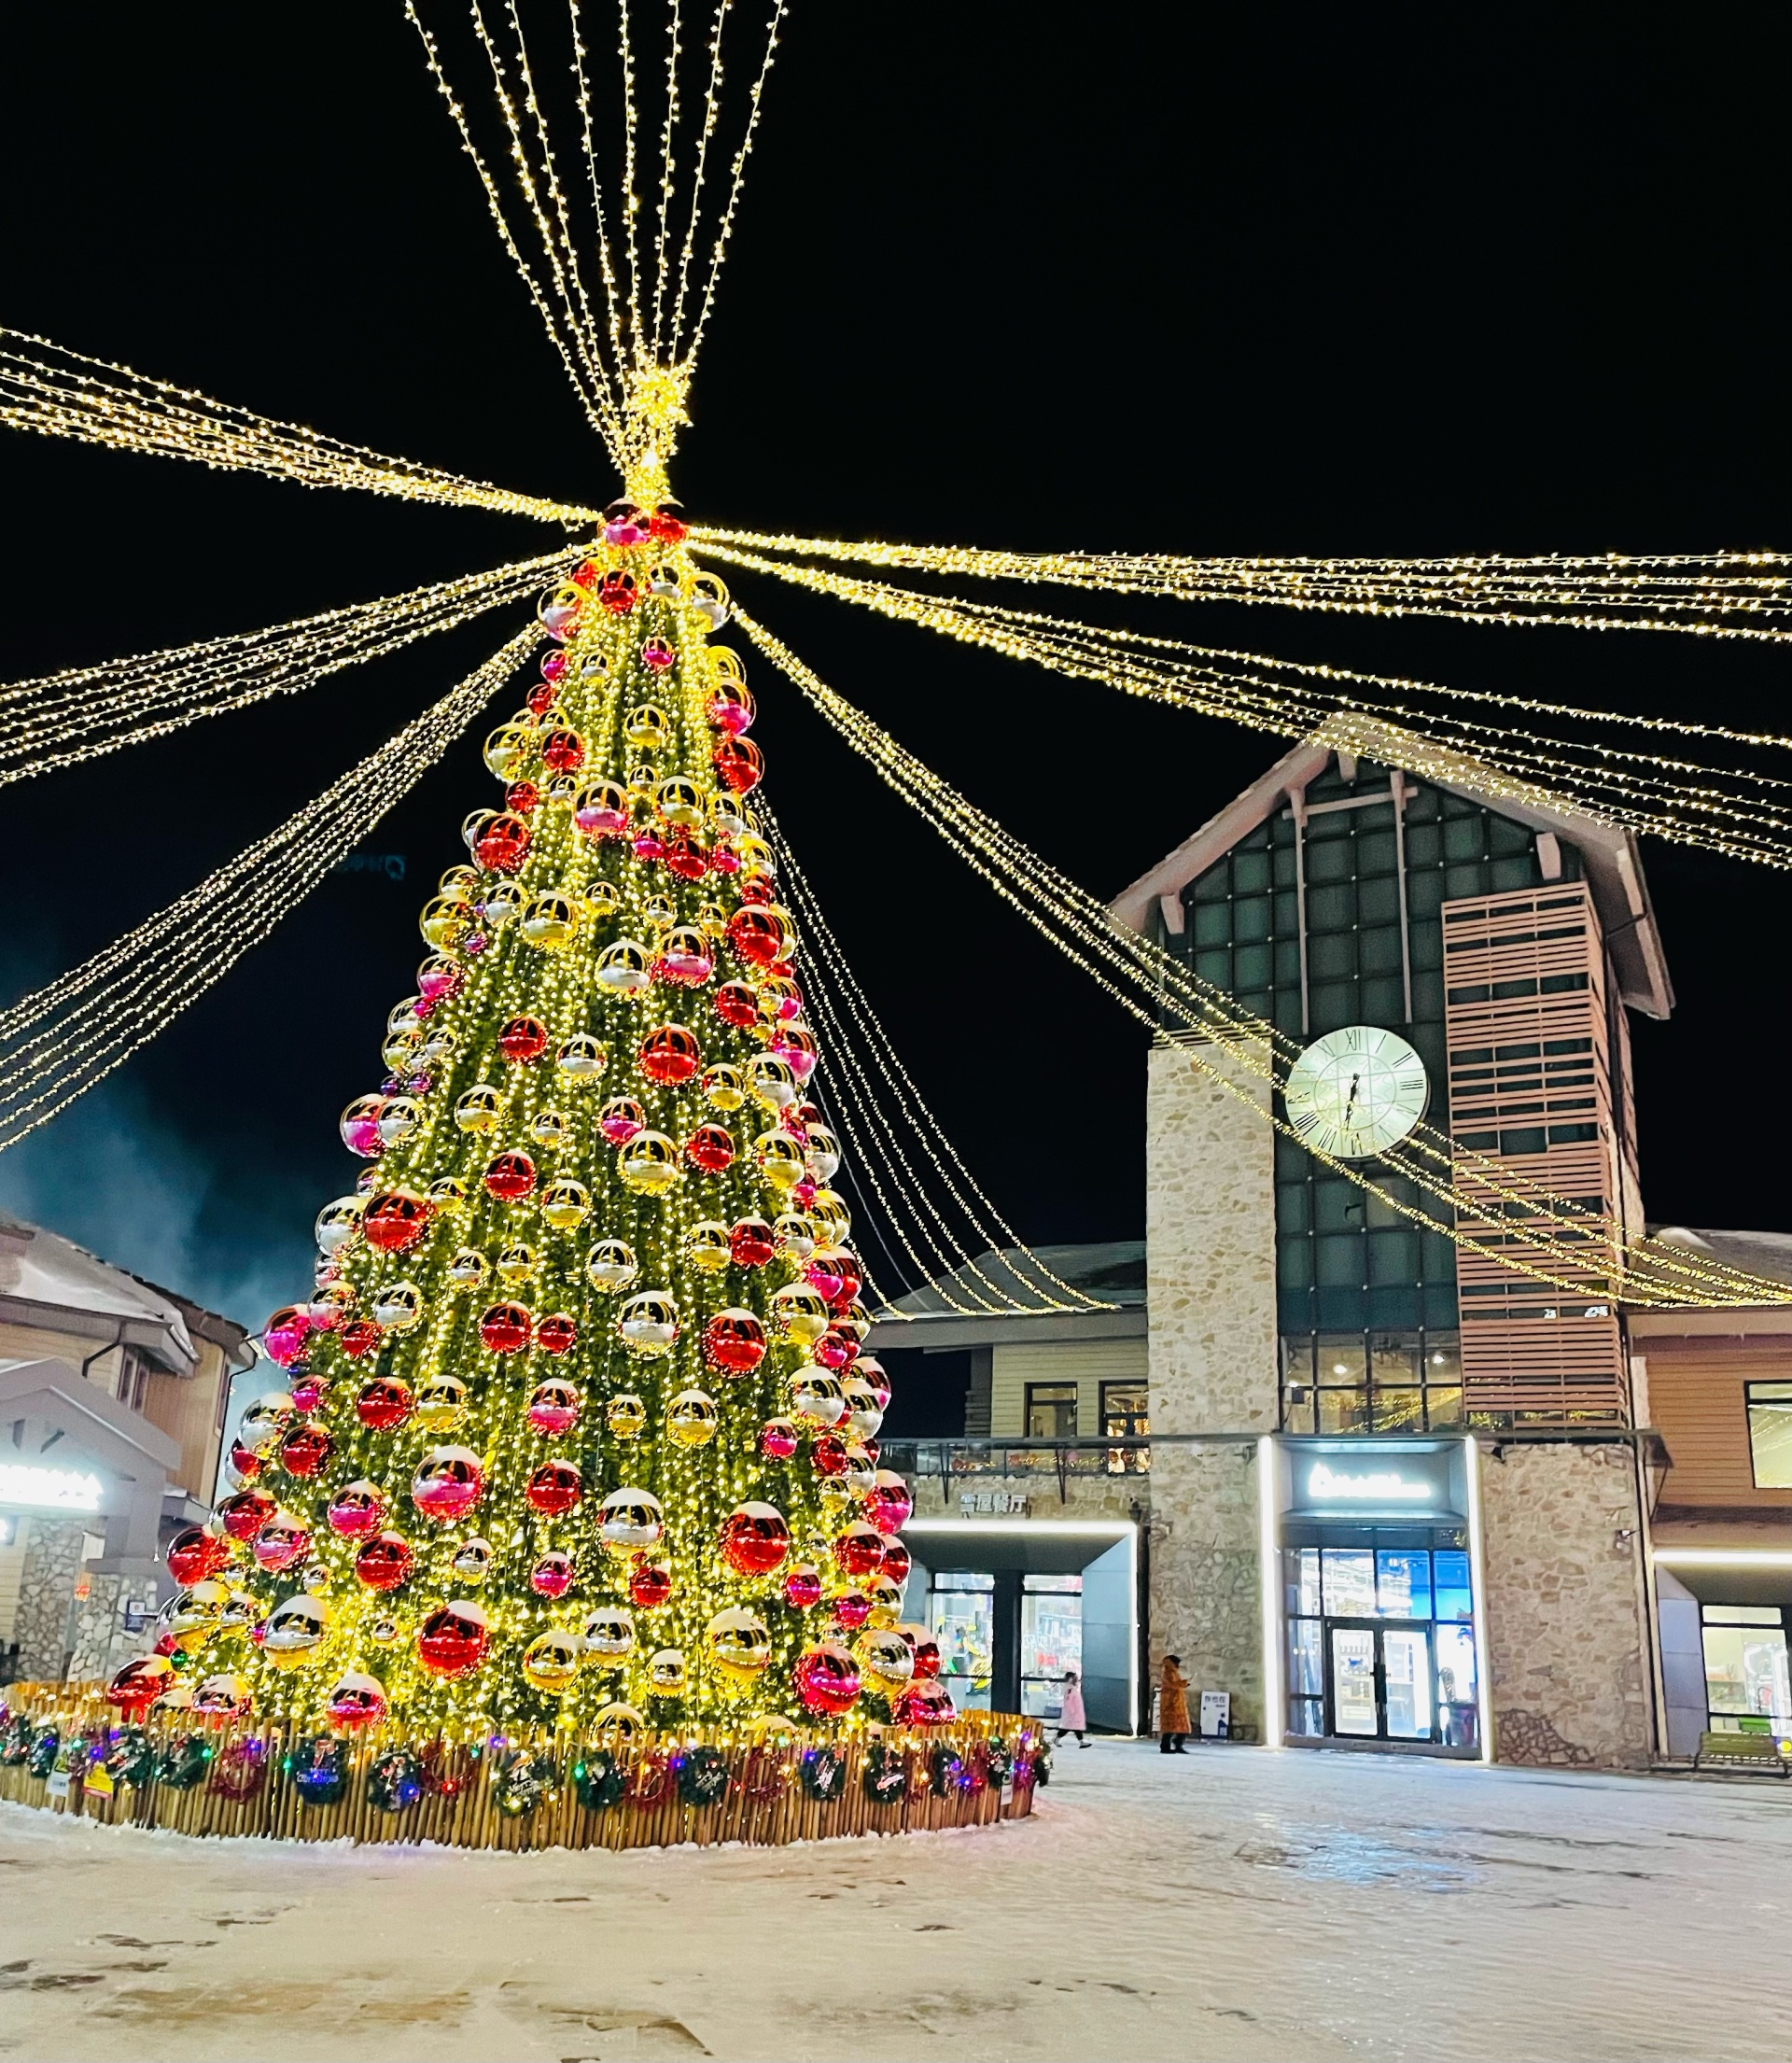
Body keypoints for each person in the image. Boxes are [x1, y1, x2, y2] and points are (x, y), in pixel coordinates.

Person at [1158, 1654, 1192, 1754]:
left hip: (1177, 1703)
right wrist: (1185, 1683)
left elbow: (1176, 1684)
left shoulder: (1172, 1672)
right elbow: (1173, 1685)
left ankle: (1177, 1744)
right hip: (1171, 1703)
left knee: (1181, 1727)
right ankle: (1166, 1747)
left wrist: (1184, 1683)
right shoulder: (1169, 1672)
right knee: (1170, 1727)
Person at [1057, 1669, 1089, 1747]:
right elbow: (1068, 1702)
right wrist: (1072, 1712)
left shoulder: (1073, 1689)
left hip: (1076, 1713)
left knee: (1074, 1728)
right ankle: (1081, 1742)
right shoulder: (1070, 1690)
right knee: (1070, 1728)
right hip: (1073, 1714)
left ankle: (1081, 1742)